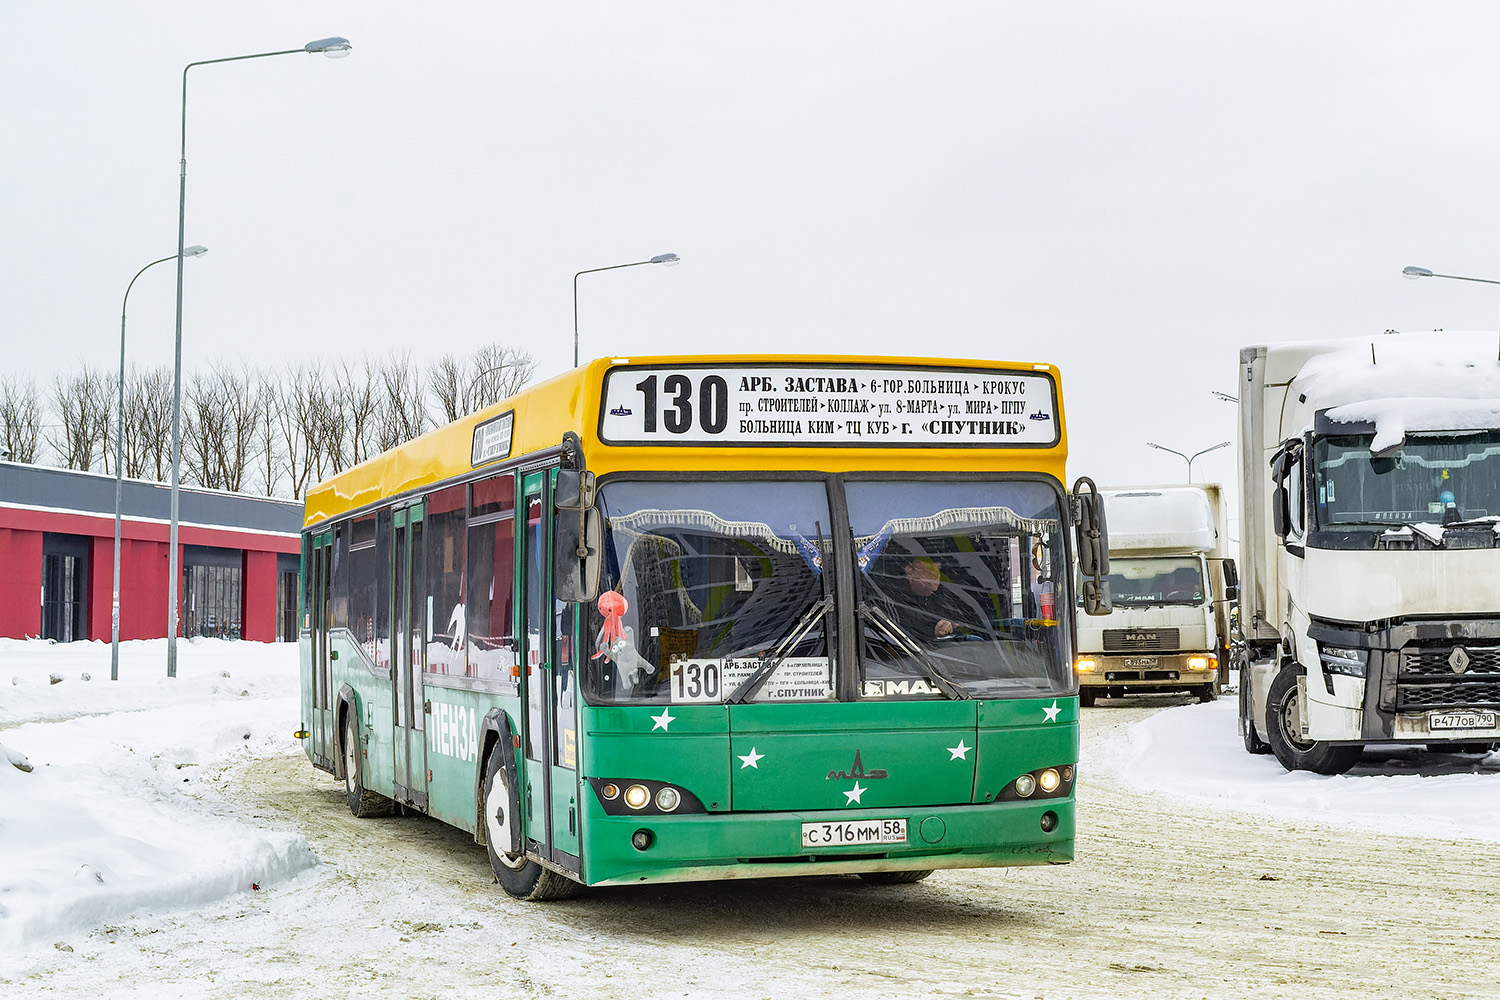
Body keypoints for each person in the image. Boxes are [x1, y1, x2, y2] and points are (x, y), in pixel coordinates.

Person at [889, 558, 969, 641]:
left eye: (938, 571)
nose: (935, 583)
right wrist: (933, 632)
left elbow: (962, 619)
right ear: (909, 570)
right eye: (929, 572)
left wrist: (952, 626)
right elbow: (897, 635)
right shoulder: (891, 597)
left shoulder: (942, 594)